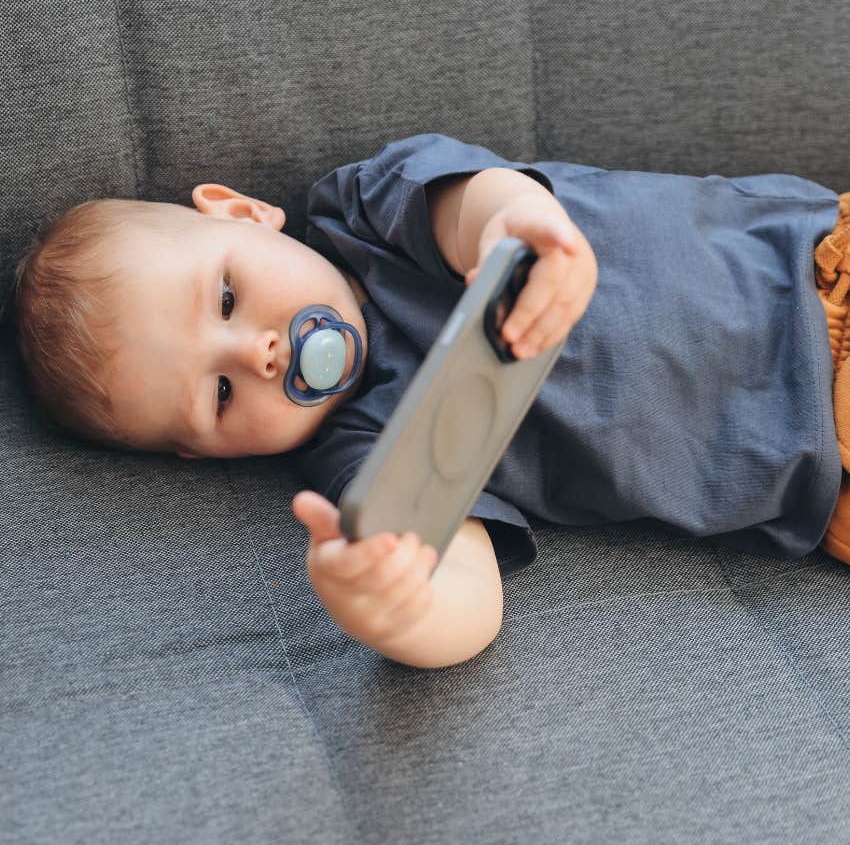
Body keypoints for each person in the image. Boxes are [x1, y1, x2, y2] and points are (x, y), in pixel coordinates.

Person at [11, 132, 850, 669]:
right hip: (821, 475)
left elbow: (470, 202)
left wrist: (512, 229)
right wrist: (392, 607)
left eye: (226, 299)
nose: (259, 353)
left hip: (813, 275)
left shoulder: (366, 212)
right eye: (221, 394)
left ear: (243, 213)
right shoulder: (369, 457)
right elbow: (465, 601)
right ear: (208, 453)